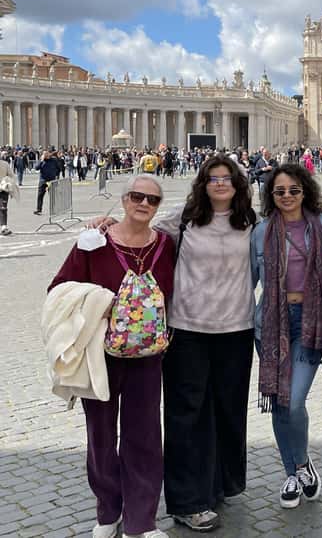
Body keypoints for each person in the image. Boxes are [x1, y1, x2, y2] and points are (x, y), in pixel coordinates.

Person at [49, 174, 174, 538]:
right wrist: (95, 306)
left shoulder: (166, 244)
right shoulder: (94, 241)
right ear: (123, 200)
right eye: (137, 196)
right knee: (101, 434)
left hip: (148, 355)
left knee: (145, 435)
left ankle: (141, 519)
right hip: (98, 353)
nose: (144, 204)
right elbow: (59, 289)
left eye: (152, 200)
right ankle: (108, 510)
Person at [157, 156, 258, 531]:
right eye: (213, 178)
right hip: (187, 329)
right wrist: (105, 224)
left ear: (237, 184)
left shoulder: (251, 223)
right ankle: (186, 499)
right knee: (187, 414)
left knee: (227, 409)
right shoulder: (181, 220)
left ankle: (216, 484)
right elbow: (138, 232)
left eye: (226, 178)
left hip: (236, 327)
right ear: (203, 184)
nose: (220, 184)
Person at [252, 164, 322, 509]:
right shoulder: (259, 233)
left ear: (306, 191)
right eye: (279, 191)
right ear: (271, 196)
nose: (287, 196)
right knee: (278, 399)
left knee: (294, 400)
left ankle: (301, 461)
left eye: (293, 190)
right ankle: (293, 472)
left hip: (310, 322)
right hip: (271, 324)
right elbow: (247, 281)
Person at [34, 150, 62, 215]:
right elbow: (36, 168)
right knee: (40, 195)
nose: (46, 155)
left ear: (49, 154)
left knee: (52, 196)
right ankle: (39, 209)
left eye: (47, 154)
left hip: (51, 181)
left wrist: (56, 175)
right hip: (43, 180)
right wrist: (41, 161)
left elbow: (59, 168)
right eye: (44, 154)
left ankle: (54, 209)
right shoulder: (41, 160)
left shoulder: (54, 160)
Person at [0, 157, 19, 235]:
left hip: (3, 189)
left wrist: (10, 185)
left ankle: (4, 227)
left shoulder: (5, 164)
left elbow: (11, 176)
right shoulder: (5, 164)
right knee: (3, 208)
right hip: (3, 189)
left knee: (3, 208)